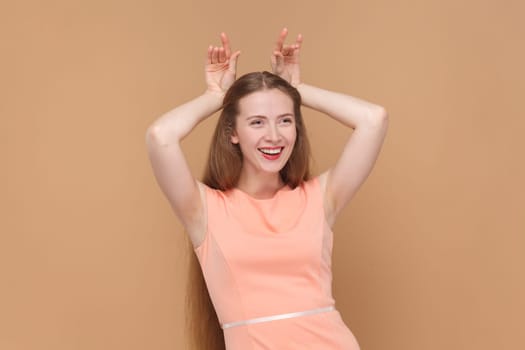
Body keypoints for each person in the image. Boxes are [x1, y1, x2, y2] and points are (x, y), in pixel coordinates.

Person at [146, 28, 388, 350]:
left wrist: (298, 89)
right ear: (233, 132)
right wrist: (216, 97)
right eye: (257, 122)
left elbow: (374, 118)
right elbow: (160, 136)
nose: (274, 136)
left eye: (285, 120)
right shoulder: (205, 210)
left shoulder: (319, 199)